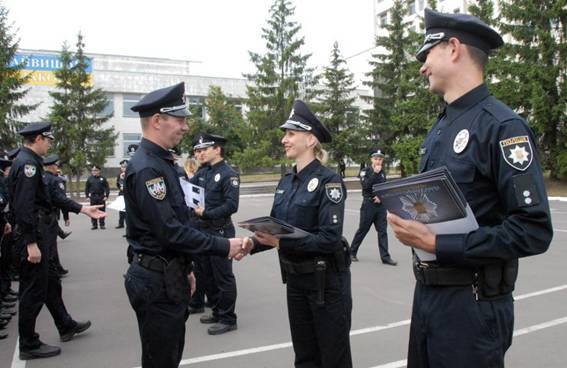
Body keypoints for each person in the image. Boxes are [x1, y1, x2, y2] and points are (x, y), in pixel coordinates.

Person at [386, 9, 553, 368]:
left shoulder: (503, 127)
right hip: (429, 296)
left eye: (427, 54)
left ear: (454, 48)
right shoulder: (441, 129)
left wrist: (437, 243)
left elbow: (533, 230)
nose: (421, 67)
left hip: (473, 305)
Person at [123, 82, 245, 368]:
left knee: (168, 354)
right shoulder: (148, 167)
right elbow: (171, 231)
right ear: (157, 121)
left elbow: (176, 220)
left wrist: (186, 269)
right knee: (161, 359)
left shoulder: (161, 162)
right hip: (156, 280)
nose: (185, 127)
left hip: (167, 273)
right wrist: (224, 246)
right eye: (179, 119)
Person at [242, 100, 352, 367]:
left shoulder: (329, 181)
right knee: (304, 358)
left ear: (311, 139)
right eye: (285, 134)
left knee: (332, 358)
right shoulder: (286, 181)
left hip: (325, 283)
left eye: (291, 134)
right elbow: (274, 228)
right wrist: (250, 243)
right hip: (296, 282)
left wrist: (280, 243)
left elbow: (329, 239)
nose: (284, 140)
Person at [8, 122, 106, 360]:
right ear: (39, 138)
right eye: (49, 140)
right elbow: (24, 206)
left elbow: (51, 196)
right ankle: (29, 344)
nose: (50, 144)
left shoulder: (31, 162)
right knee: (33, 291)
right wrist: (31, 242)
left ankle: (65, 325)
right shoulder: (28, 164)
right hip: (33, 235)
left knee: (50, 282)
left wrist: (82, 210)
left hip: (41, 232)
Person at [190, 133, 240, 335]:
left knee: (223, 277)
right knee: (206, 275)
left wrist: (207, 213)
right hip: (202, 230)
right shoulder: (203, 173)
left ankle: (228, 318)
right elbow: (188, 190)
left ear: (217, 149)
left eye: (204, 150)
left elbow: (231, 205)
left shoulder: (229, 174)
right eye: (197, 150)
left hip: (220, 230)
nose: (199, 154)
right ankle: (217, 311)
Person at [350, 148, 396, 265]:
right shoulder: (365, 171)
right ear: (371, 159)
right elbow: (365, 186)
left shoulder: (383, 172)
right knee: (363, 230)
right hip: (368, 205)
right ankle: (351, 252)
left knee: (382, 232)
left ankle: (385, 257)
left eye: (380, 159)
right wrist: (375, 173)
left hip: (380, 206)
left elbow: (384, 188)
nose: (378, 161)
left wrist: (381, 197)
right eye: (376, 158)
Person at [43, 155, 70, 276]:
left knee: (49, 244)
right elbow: (63, 200)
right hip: (50, 215)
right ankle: (54, 270)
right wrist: (67, 216)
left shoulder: (41, 178)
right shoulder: (55, 180)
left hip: (42, 216)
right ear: (52, 166)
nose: (57, 168)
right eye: (56, 165)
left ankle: (56, 267)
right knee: (51, 245)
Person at [85, 165, 110, 230]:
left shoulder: (102, 178)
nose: (94, 172)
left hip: (101, 196)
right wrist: (87, 196)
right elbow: (87, 188)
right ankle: (94, 225)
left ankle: (102, 224)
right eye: (93, 170)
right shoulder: (90, 178)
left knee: (102, 210)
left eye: (95, 170)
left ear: (99, 171)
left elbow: (107, 187)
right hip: (93, 197)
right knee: (93, 211)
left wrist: (106, 196)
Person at [116, 159, 128, 229]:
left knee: (128, 211)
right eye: (122, 167)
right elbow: (117, 184)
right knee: (121, 210)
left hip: (128, 194)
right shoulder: (119, 175)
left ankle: (129, 227)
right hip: (121, 193)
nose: (123, 168)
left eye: (125, 167)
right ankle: (121, 224)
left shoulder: (130, 174)